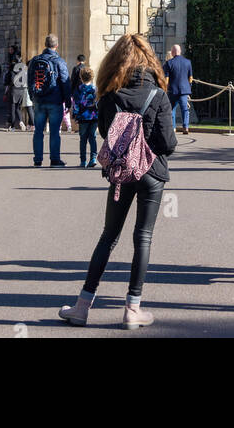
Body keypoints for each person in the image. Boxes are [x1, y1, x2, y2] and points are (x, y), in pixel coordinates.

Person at [58, 34, 177, 328]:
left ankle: (82, 306)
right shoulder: (159, 95)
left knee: (108, 237)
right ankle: (132, 308)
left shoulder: (110, 96)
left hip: (122, 175)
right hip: (152, 174)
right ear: (150, 62)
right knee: (143, 237)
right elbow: (169, 143)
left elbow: (105, 135)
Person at [27, 34, 71, 167]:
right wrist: (68, 101)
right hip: (55, 101)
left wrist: (32, 96)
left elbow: (30, 80)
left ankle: (38, 159)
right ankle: (55, 159)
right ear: (56, 45)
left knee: (38, 131)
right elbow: (65, 82)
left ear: (45, 45)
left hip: (39, 100)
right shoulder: (59, 61)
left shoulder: (35, 60)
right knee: (54, 132)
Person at [72, 64, 99, 168]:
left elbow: (76, 104)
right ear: (92, 77)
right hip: (94, 116)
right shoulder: (95, 89)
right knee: (93, 138)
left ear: (81, 77)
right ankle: (93, 158)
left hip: (83, 117)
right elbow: (98, 103)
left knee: (83, 139)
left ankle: (83, 160)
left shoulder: (78, 89)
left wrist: (75, 116)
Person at [163, 44, 193, 134]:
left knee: (171, 110)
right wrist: (189, 88)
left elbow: (166, 79)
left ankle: (173, 128)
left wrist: (165, 88)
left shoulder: (169, 63)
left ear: (172, 52)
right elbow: (190, 78)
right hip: (184, 90)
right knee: (185, 109)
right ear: (180, 52)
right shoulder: (188, 62)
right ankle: (186, 127)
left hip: (173, 90)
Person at [4, 50, 29, 131]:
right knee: (18, 108)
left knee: (12, 109)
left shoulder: (11, 72)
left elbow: (7, 83)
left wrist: (5, 92)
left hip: (13, 91)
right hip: (21, 91)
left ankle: (12, 126)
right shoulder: (23, 72)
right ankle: (21, 121)